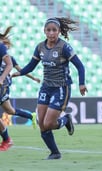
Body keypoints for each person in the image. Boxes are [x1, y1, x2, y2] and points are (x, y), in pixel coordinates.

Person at [12, 17, 88, 159]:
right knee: (42, 124)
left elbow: (80, 65)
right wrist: (19, 73)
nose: (51, 33)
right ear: (44, 31)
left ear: (59, 31)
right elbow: (31, 66)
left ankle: (66, 120)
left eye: (54, 30)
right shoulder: (40, 47)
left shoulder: (64, 47)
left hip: (61, 88)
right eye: (49, 30)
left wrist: (82, 83)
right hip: (46, 87)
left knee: (49, 123)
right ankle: (55, 153)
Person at [0, 26, 38, 151]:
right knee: (10, 110)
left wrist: (33, 78)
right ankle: (31, 116)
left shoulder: (8, 57)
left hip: (3, 85)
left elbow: (21, 70)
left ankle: (7, 140)